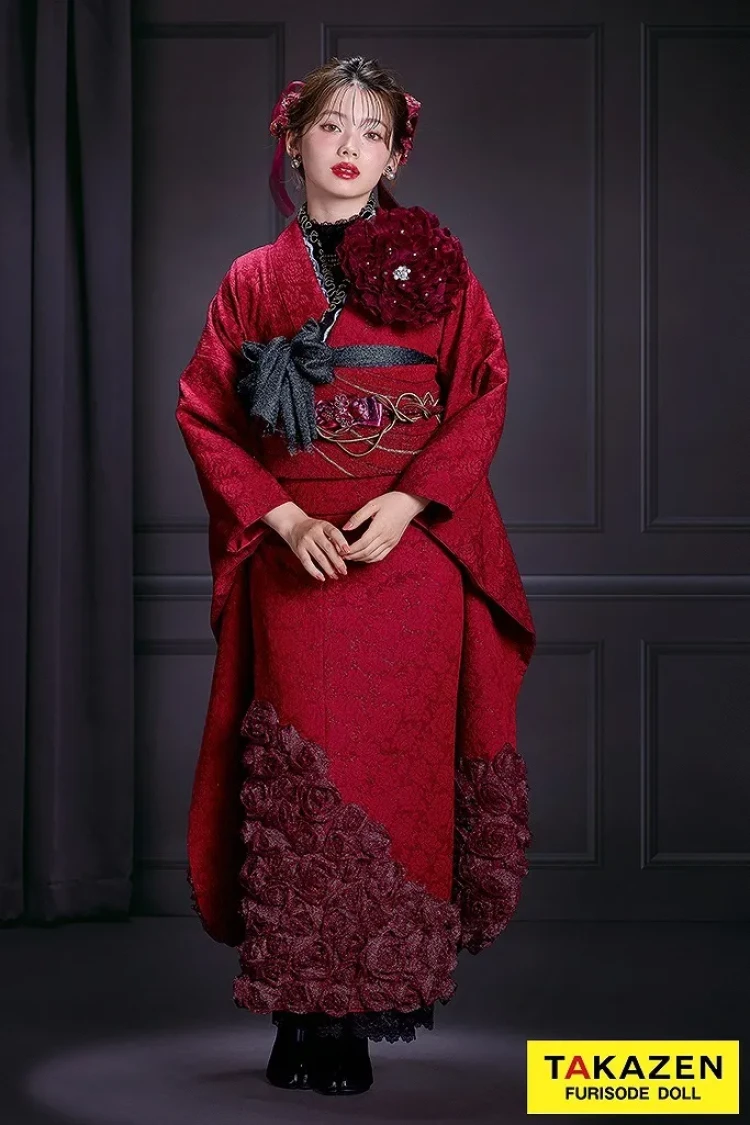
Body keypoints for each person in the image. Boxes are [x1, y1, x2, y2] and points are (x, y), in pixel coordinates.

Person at [175, 55, 537, 1097]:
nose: (350, 147)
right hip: (300, 563)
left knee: (395, 781)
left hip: (406, 565)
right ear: (293, 143)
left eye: (372, 132)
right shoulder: (253, 280)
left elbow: (484, 390)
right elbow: (205, 412)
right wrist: (283, 515)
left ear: (395, 155)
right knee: (301, 787)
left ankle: (357, 1022)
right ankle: (298, 1012)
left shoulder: (440, 273)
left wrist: (413, 500)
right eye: (331, 125)